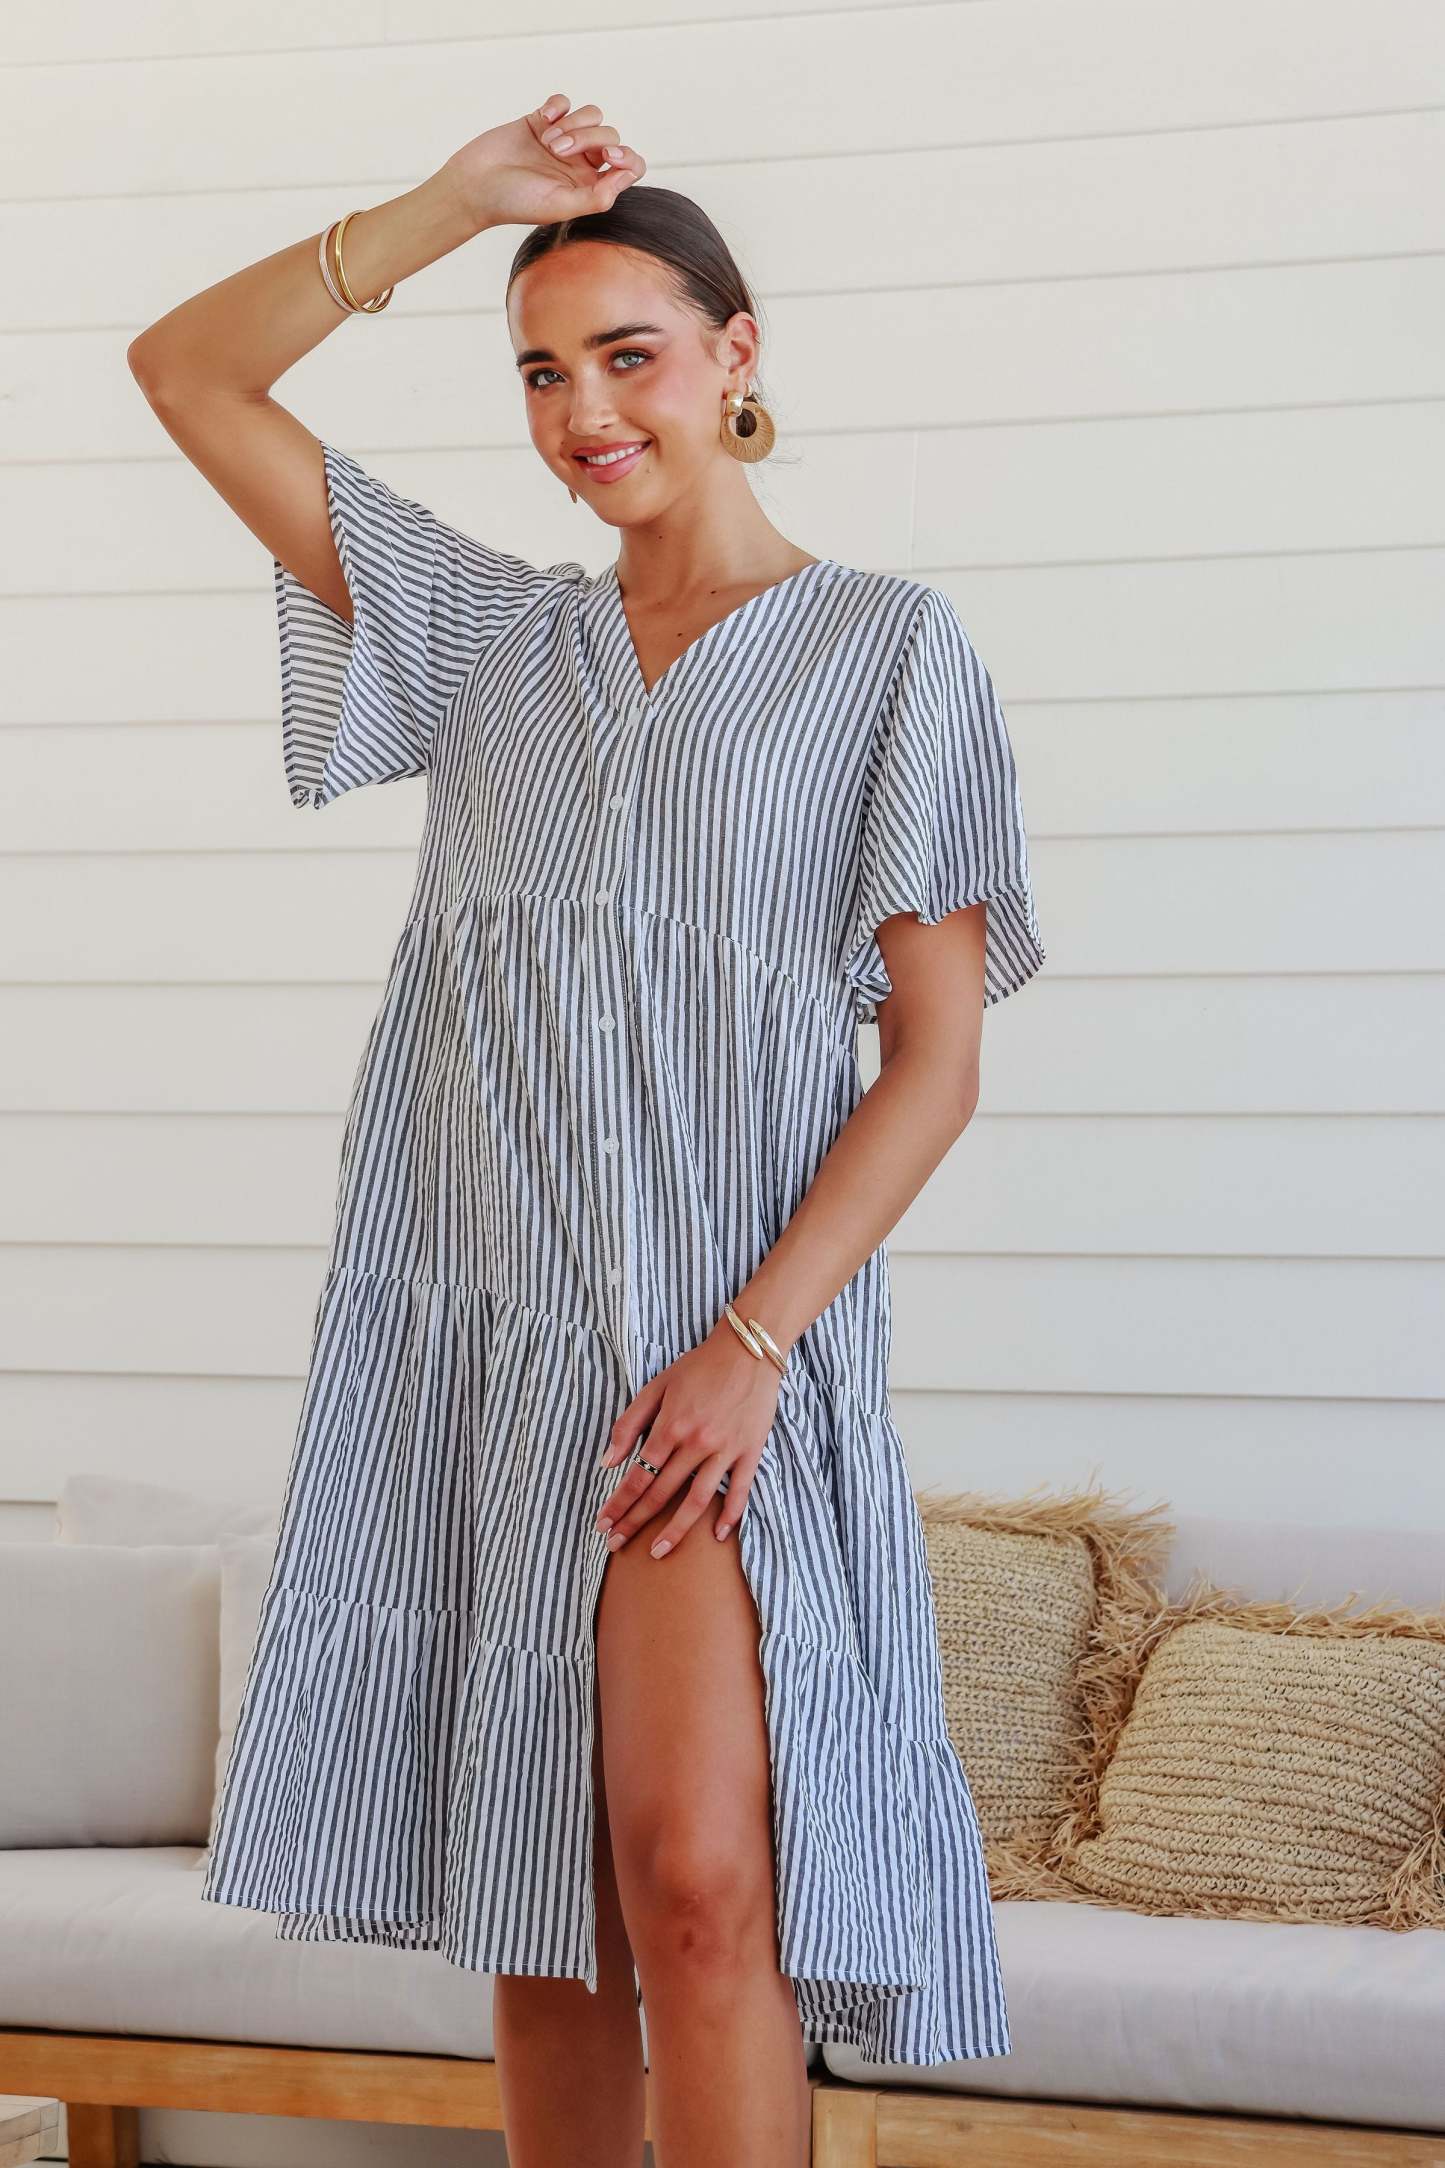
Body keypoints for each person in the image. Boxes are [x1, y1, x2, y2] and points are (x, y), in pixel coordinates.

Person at [127, 92, 1046, 2168]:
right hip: (487, 1350)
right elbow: (188, 373)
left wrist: (754, 1342)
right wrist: (458, 204)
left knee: (701, 1885)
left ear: (737, 354)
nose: (584, 412)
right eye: (541, 372)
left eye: (629, 355)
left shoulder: (888, 655)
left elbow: (933, 1062)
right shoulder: (486, 644)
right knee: (541, 1910)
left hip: (724, 1364)